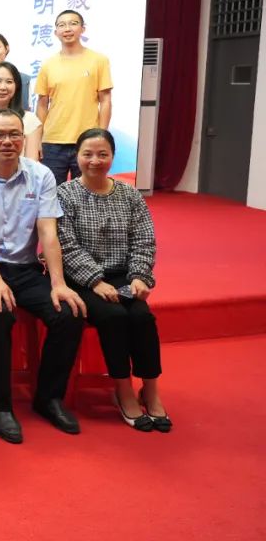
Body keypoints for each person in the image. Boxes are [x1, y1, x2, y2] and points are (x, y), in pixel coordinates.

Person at [0, 109, 86, 444]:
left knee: (68, 313)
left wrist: (58, 283)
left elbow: (48, 231)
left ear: (24, 138)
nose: (7, 141)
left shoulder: (40, 175)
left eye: (14, 134)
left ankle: (49, 398)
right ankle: (0, 406)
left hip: (26, 268)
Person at [56, 128, 169, 432]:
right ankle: (123, 390)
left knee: (142, 317)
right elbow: (65, 245)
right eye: (88, 154)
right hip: (82, 279)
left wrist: (140, 276)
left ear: (112, 157)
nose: (95, 160)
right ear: (77, 157)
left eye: (102, 154)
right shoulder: (64, 194)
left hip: (123, 275)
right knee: (114, 316)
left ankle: (150, 389)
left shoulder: (130, 195)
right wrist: (95, 281)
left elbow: (144, 239)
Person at [35, 10, 113, 183]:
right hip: (53, 141)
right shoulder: (48, 64)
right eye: (61, 25)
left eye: (73, 23)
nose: (67, 28)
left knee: (88, 191)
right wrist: (37, 139)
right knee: (52, 192)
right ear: (56, 32)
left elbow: (105, 100)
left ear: (82, 29)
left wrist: (102, 135)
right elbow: (42, 104)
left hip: (87, 140)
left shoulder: (99, 60)